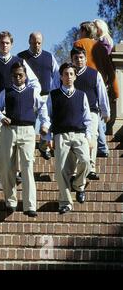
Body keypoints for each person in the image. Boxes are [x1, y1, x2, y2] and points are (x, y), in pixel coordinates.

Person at [0, 31, 41, 190]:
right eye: (2, 43)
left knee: (18, 145)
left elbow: (35, 84)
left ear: (11, 44)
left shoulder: (20, 62)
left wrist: (27, 99)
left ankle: (17, 172)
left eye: (7, 43)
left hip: (18, 112)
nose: (4, 45)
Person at [0, 61, 50, 217]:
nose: (18, 77)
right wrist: (1, 117)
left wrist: (45, 124)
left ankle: (30, 205)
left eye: (21, 75)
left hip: (27, 131)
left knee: (27, 167)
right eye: (15, 75)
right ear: (11, 76)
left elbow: (43, 109)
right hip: (8, 130)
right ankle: (10, 201)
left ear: (25, 76)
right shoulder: (6, 92)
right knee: (5, 166)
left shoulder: (32, 92)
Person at [45, 63, 92, 214]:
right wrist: (48, 137)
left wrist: (89, 136)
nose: (68, 77)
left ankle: (78, 185)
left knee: (86, 161)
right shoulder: (53, 95)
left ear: (75, 76)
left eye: (71, 74)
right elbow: (47, 117)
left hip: (79, 135)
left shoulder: (81, 95)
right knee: (60, 170)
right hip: (61, 135)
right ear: (61, 76)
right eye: (66, 74)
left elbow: (87, 118)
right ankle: (65, 202)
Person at [18, 32, 60, 160]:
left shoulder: (49, 57)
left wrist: (55, 91)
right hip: (27, 96)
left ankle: (43, 146)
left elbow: (57, 75)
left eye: (39, 43)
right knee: (29, 123)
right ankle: (28, 148)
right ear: (29, 42)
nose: (36, 45)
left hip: (45, 96)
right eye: (34, 42)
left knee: (46, 122)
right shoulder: (21, 57)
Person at [69, 47, 110, 180]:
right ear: (72, 60)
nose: (79, 60)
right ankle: (75, 170)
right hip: (74, 113)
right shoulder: (69, 75)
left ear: (86, 59)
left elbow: (102, 94)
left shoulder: (94, 74)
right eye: (76, 58)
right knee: (75, 140)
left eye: (81, 57)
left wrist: (105, 112)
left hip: (92, 112)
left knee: (91, 138)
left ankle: (91, 168)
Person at [94, 19, 114, 157]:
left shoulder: (104, 41)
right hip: (101, 79)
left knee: (99, 113)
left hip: (101, 80)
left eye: (95, 27)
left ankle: (102, 146)